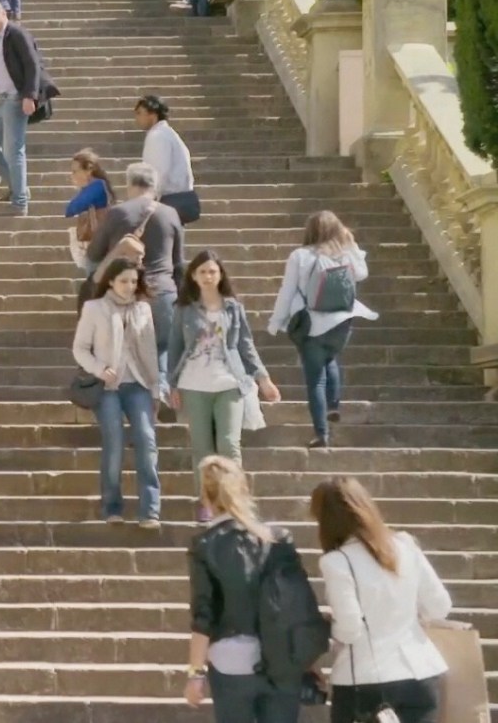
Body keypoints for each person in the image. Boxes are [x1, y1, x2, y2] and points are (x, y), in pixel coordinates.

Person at [312, 477, 452, 723]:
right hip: (420, 672)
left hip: (365, 680)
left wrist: (328, 624)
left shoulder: (337, 562)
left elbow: (350, 629)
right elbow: (440, 606)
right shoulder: (405, 544)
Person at [183, 456, 304, 723]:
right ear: (244, 489)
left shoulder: (204, 545)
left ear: (205, 497)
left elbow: (204, 614)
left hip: (231, 661)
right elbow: (298, 605)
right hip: (281, 660)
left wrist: (195, 673)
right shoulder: (279, 539)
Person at [167, 252, 280, 523]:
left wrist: (263, 378)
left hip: (229, 381)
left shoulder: (233, 308)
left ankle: (235, 501)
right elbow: (174, 347)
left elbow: (245, 344)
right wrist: (171, 384)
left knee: (229, 445)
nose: (208, 276)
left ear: (220, 275)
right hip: (193, 384)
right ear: (194, 276)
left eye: (212, 271)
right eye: (203, 272)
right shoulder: (184, 309)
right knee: (202, 448)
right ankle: (206, 502)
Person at [266, 211, 378, 448]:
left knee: (316, 379)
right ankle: (333, 405)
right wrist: (351, 244)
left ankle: (321, 434)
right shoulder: (345, 254)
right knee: (330, 358)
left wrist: (276, 322)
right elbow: (362, 274)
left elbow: (287, 292)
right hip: (342, 323)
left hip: (312, 323)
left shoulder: (300, 256)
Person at [84, 163, 186, 405]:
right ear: (155, 187)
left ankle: (130, 402)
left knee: (125, 351)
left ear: (130, 185)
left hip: (126, 294)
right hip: (163, 291)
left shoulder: (117, 213)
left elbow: (93, 255)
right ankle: (160, 394)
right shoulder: (170, 214)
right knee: (161, 347)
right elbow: (179, 263)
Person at [72, 258, 161, 528]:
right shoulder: (94, 308)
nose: (129, 286)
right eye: (124, 281)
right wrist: (99, 369)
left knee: (146, 439)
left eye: (134, 281)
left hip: (138, 384)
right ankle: (112, 507)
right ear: (111, 281)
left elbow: (150, 351)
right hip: (107, 387)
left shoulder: (143, 309)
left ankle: (150, 510)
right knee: (114, 442)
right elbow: (80, 348)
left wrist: (156, 388)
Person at [0, 0, 58, 217]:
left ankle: (20, 202)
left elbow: (32, 64)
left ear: (3, 14)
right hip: (0, 100)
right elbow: (0, 70)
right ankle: (18, 187)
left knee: (14, 151)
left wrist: (30, 96)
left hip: (15, 99)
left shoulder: (17, 34)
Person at [136, 95, 194, 205]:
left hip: (171, 199)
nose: (137, 118)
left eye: (140, 113)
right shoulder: (168, 133)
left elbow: (158, 172)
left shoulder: (157, 136)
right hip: (181, 197)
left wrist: (149, 199)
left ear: (152, 114)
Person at [65, 149, 114, 272]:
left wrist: (82, 188)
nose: (72, 175)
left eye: (75, 171)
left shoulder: (97, 186)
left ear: (89, 170)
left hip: (101, 243)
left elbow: (71, 209)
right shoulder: (95, 186)